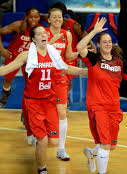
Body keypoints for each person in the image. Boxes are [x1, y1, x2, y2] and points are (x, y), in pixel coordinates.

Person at [0, 25, 87, 174]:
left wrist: (88, 72)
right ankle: (42, 169)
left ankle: (37, 140)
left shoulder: (53, 54)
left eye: (44, 33)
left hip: (50, 102)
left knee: (53, 142)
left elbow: (66, 68)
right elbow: (7, 69)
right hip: (33, 102)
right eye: (39, 34)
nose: (43, 35)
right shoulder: (27, 55)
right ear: (33, 39)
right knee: (43, 140)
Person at [76, 17, 127, 174]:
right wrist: (94, 32)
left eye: (109, 41)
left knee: (110, 145)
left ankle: (91, 153)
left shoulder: (119, 62)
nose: (107, 44)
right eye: (104, 41)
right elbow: (80, 47)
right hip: (97, 107)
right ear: (99, 45)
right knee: (106, 144)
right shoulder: (94, 59)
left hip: (114, 108)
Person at [45, 7, 79, 161]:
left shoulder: (67, 34)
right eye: (54, 17)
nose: (58, 19)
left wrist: (81, 51)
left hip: (59, 78)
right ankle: (38, 137)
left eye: (60, 17)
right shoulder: (43, 33)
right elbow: (39, 51)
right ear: (49, 19)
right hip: (44, 77)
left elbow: (68, 55)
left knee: (62, 112)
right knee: (44, 111)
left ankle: (61, 149)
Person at [0, 7, 41, 108]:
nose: (33, 19)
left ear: (39, 17)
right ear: (26, 17)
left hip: (29, 58)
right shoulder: (18, 25)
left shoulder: (40, 29)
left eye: (36, 17)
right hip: (13, 55)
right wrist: (2, 50)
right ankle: (6, 91)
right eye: (31, 17)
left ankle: (28, 106)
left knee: (30, 82)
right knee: (7, 79)